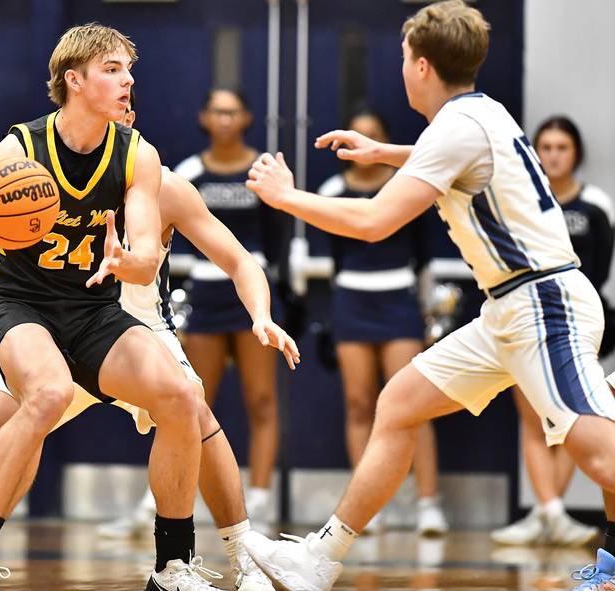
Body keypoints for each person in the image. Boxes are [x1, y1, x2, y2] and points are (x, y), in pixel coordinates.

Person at [0, 90, 299, 591]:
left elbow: (238, 259)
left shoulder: (162, 185)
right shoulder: (34, 178)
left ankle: (235, 561)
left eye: (128, 107)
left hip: (135, 325)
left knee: (190, 403)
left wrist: (261, 314)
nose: (122, 115)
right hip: (53, 323)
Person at [237, 2, 615, 590]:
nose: (402, 68)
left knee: (600, 453)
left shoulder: (459, 128)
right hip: (514, 308)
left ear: (420, 66)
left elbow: (373, 220)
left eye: (404, 59)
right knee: (399, 403)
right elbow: (448, 161)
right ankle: (318, 561)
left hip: (542, 305)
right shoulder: (481, 116)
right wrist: (383, 153)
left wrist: (287, 198)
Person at [318, 107, 446, 536]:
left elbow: (424, 255)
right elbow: (336, 257)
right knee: (358, 403)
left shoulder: (405, 187)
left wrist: (426, 310)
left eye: (373, 136)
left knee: (413, 404)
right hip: (352, 302)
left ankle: (428, 503)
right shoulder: (333, 189)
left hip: (399, 302)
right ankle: (365, 512)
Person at [491, 116, 613, 548]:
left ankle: (551, 512)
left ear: (575, 152)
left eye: (562, 146)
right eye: (545, 146)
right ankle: (550, 512)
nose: (554, 154)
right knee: (532, 419)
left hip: (580, 321)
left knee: (571, 420)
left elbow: (599, 271)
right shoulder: (522, 198)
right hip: (529, 320)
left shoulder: (596, 204)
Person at [173, 88, 284, 531]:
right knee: (193, 400)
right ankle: (172, 495)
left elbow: (277, 234)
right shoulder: (190, 172)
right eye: (216, 110)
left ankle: (261, 496)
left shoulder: (261, 169)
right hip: (205, 296)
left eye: (232, 111)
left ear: (246, 117)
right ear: (204, 117)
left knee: (261, 400)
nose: (223, 118)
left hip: (251, 294)